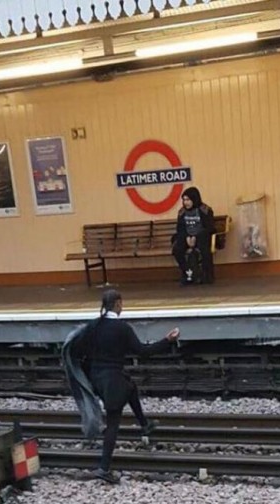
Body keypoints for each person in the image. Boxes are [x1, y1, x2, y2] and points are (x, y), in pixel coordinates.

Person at [69, 289, 179, 484]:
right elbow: (143, 351)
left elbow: (78, 351)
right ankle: (103, 468)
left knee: (130, 386)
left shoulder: (92, 326)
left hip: (97, 379)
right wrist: (167, 341)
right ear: (118, 304)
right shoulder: (122, 328)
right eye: (122, 303)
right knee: (113, 424)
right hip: (112, 380)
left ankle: (144, 424)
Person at [171, 186, 216, 285]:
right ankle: (187, 273)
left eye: (188, 199)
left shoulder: (205, 210)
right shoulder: (182, 212)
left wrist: (196, 237)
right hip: (187, 237)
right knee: (177, 250)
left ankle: (205, 275)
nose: (185, 202)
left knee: (204, 249)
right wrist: (187, 237)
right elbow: (180, 228)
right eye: (184, 200)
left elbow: (210, 227)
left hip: (201, 237)